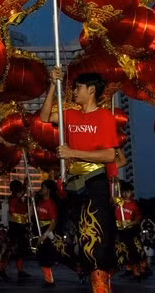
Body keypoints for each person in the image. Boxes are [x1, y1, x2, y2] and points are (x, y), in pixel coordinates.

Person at [40, 67, 118, 293]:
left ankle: (101, 287)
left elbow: (109, 155)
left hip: (95, 182)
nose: (74, 91)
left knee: (94, 236)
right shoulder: (69, 114)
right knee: (80, 238)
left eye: (78, 87)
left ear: (91, 90)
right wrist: (53, 85)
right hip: (73, 185)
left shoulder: (104, 116)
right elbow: (44, 117)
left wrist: (73, 152)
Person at [114, 181, 148, 281]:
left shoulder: (134, 205)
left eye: (127, 192)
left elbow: (137, 219)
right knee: (124, 251)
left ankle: (140, 270)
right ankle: (129, 269)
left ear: (131, 193)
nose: (125, 194)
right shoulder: (118, 203)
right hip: (120, 231)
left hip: (131, 231)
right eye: (124, 192)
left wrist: (129, 223)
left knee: (135, 251)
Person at [0, 178, 32, 282]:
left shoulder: (17, 198)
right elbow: (13, 211)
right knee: (11, 249)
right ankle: (1, 269)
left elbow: (22, 193)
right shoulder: (13, 199)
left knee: (20, 250)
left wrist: (25, 184)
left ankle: (20, 270)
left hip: (20, 227)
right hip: (15, 227)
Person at [35, 179, 61, 288]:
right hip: (40, 228)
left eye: (43, 188)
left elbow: (54, 222)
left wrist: (45, 235)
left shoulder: (51, 204)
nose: (41, 189)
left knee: (47, 256)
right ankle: (48, 280)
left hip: (48, 230)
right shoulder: (40, 202)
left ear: (49, 190)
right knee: (42, 256)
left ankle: (49, 281)